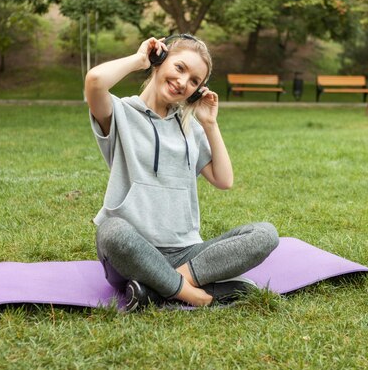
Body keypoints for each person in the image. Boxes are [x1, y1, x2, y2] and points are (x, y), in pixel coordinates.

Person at [86, 34, 279, 311]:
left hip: (185, 253)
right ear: (159, 61)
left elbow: (224, 180)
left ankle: (158, 289)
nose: (183, 82)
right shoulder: (120, 113)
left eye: (194, 81)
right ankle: (196, 295)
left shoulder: (190, 127)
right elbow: (94, 81)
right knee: (112, 231)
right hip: (131, 253)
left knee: (265, 234)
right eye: (179, 68)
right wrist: (139, 59)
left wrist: (210, 124)